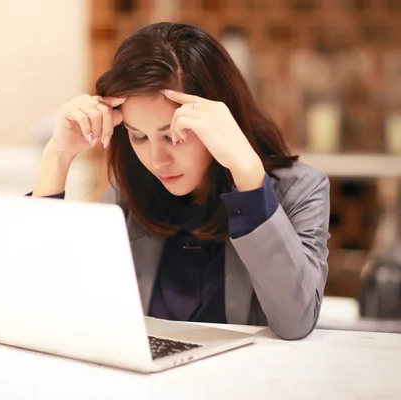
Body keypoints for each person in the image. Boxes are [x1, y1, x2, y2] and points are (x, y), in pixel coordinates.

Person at [30, 22, 330, 340]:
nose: (157, 161)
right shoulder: (131, 190)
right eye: (139, 136)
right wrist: (58, 155)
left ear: (219, 121)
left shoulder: (301, 189)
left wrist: (248, 177)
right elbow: (45, 295)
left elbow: (295, 321)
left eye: (172, 136)